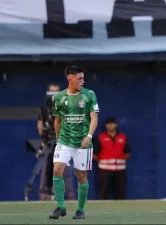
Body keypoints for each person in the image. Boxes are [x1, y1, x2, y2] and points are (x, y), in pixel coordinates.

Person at [49, 66, 100, 219]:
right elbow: (57, 120)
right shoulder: (59, 97)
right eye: (80, 78)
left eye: (83, 78)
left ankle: (80, 209)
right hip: (64, 140)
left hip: (83, 142)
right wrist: (58, 139)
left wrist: (89, 136)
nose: (83, 81)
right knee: (57, 170)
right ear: (70, 79)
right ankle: (60, 206)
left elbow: (94, 118)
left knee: (81, 176)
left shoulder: (89, 95)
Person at [37, 83, 75, 201]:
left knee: (66, 170)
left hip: (63, 142)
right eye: (51, 93)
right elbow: (40, 130)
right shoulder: (43, 109)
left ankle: (70, 196)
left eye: (57, 93)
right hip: (48, 143)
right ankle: (44, 195)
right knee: (46, 169)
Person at [93, 117, 131, 200]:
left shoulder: (123, 137)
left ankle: (121, 210)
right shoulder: (100, 137)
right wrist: (103, 161)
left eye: (112, 123)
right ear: (106, 125)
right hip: (105, 170)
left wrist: (120, 159)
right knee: (103, 192)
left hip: (120, 170)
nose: (110, 126)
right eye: (108, 124)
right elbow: (94, 154)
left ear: (116, 125)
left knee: (121, 192)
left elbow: (128, 152)